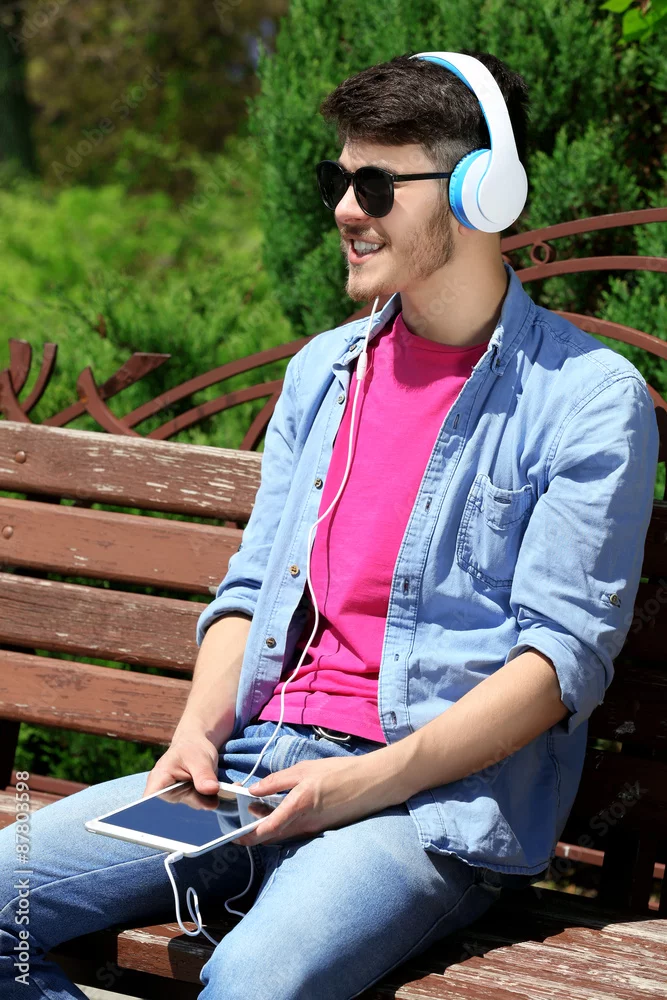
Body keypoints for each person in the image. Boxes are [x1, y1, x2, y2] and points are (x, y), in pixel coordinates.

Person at [0, 50, 659, 1000]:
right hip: (248, 775)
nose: (346, 209)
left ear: (481, 193)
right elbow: (249, 589)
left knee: (250, 985)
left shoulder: (585, 400)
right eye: (337, 180)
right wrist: (196, 731)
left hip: (418, 809)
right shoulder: (323, 372)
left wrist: (364, 783)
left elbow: (559, 663)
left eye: (377, 185)